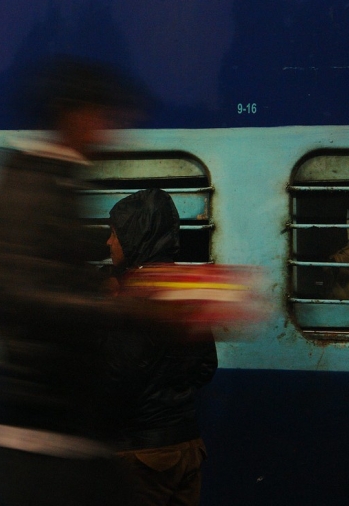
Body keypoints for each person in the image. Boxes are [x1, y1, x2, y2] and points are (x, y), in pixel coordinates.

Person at [0, 56, 155, 506]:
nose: (113, 130)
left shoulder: (55, 182)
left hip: (65, 434)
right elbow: (22, 295)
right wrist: (127, 308)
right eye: (106, 115)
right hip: (39, 438)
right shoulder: (32, 186)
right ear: (74, 115)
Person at [103, 188, 218, 506]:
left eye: (113, 234)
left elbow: (116, 378)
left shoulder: (131, 301)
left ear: (133, 235)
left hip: (143, 456)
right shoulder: (186, 293)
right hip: (187, 449)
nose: (108, 243)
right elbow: (206, 367)